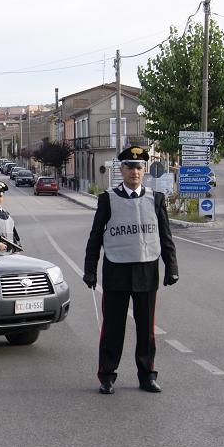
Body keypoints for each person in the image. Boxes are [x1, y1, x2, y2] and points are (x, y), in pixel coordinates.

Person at [83, 146, 178, 395]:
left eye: (138, 167)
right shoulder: (107, 199)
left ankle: (147, 376)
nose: (134, 171)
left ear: (144, 170)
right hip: (116, 273)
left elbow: (165, 237)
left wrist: (172, 267)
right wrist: (90, 269)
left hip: (147, 273)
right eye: (129, 166)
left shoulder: (156, 199)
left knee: (147, 330)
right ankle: (107, 376)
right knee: (113, 329)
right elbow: (95, 238)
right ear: (122, 170)